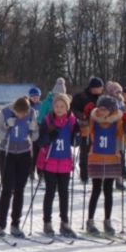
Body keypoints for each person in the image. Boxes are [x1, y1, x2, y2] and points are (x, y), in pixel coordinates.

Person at [83, 97, 126, 236]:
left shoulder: (117, 121)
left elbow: (125, 139)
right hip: (96, 157)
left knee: (108, 191)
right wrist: (85, 117)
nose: (102, 111)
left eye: (105, 109)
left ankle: (107, 221)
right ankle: (90, 221)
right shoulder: (94, 119)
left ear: (111, 110)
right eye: (100, 108)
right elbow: (85, 132)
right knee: (96, 190)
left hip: (112, 158)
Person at [0, 96, 39, 237]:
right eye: (19, 113)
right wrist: (6, 126)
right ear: (15, 109)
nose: (21, 116)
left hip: (24, 154)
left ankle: (15, 224)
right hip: (7, 153)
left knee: (20, 190)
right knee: (7, 189)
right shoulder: (5, 112)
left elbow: (35, 137)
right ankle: (1, 224)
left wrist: (34, 128)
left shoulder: (32, 113)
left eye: (23, 114)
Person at [37, 93, 79, 237]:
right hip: (50, 161)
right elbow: (40, 141)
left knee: (64, 193)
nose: (59, 109)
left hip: (65, 162)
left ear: (67, 108)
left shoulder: (72, 121)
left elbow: (76, 143)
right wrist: (49, 137)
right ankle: (47, 223)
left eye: (62, 106)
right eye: (56, 106)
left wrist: (79, 133)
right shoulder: (47, 120)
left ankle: (64, 223)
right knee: (50, 192)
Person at [71, 77, 104, 183]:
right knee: (85, 152)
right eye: (100, 87)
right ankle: (84, 175)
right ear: (93, 88)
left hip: (98, 129)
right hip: (84, 127)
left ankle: (96, 173)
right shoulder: (81, 97)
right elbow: (72, 109)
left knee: (97, 152)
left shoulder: (101, 99)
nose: (102, 89)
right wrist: (82, 115)